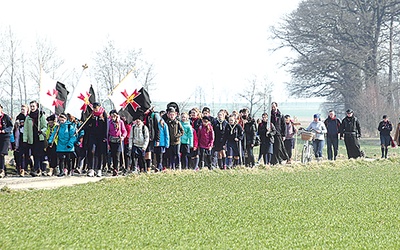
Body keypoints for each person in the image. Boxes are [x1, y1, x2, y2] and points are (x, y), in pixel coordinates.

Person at [23, 101, 47, 177]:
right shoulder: (28, 117)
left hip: (39, 138)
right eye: (31, 106)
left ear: (37, 106)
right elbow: (26, 129)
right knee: (35, 154)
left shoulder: (41, 116)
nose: (32, 108)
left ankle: (40, 169)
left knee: (40, 154)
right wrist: (25, 140)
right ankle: (37, 169)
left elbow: (45, 127)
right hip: (32, 138)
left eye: (33, 106)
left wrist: (42, 131)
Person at [84, 102, 108, 177]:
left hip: (101, 136)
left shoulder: (103, 113)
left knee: (100, 152)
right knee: (92, 150)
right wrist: (91, 120)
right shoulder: (91, 114)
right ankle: (91, 169)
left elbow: (106, 126)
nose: (95, 109)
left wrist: (105, 137)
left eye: (96, 107)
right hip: (92, 135)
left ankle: (99, 169)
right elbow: (86, 124)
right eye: (94, 108)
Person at [108, 110, 127, 176]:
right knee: (113, 155)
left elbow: (124, 131)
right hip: (112, 141)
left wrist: (123, 136)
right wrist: (108, 143)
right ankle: (114, 168)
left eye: (114, 116)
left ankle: (116, 169)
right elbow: (107, 133)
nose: (112, 117)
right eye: (111, 116)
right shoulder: (109, 122)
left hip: (119, 141)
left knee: (117, 155)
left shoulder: (120, 122)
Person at [0, 104, 13, 178]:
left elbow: (10, 126)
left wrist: (5, 130)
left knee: (2, 153)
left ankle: (2, 170)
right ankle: (3, 168)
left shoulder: (6, 117)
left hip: (5, 137)